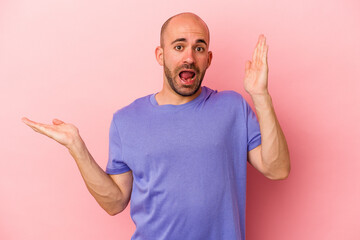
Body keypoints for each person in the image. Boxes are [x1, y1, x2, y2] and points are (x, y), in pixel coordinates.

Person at [22, 12, 290, 240]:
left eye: (198, 48)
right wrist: (76, 147)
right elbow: (115, 202)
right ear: (160, 55)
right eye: (178, 46)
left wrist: (260, 95)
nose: (189, 58)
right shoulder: (126, 120)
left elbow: (277, 169)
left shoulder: (232, 107)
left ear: (208, 59)